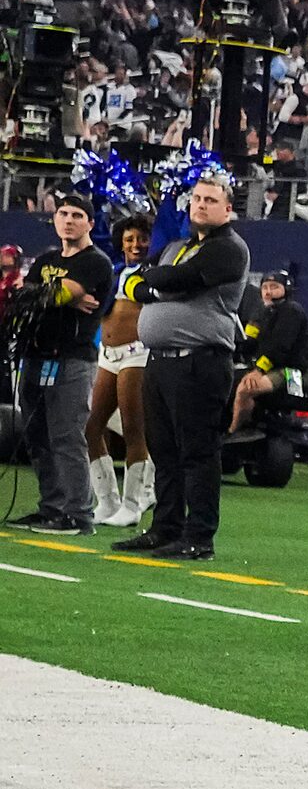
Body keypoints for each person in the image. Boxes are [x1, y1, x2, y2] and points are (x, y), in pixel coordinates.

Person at [120, 175, 249, 560]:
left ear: (228, 209)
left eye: (210, 199)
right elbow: (135, 282)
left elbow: (182, 280)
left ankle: (199, 537)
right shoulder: (178, 246)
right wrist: (153, 283)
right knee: (163, 449)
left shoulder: (230, 248)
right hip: (160, 361)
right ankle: (166, 528)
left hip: (199, 361)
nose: (201, 204)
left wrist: (152, 284)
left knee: (197, 451)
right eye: (196, 198)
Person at [10, 194, 115, 534]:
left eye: (76, 215)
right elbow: (20, 298)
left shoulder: (96, 262)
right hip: (37, 355)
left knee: (67, 436)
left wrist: (49, 293)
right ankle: (51, 507)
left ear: (90, 222)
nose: (68, 220)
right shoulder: (46, 260)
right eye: (63, 214)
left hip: (72, 358)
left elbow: (55, 294)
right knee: (37, 434)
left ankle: (78, 514)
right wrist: (53, 294)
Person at [83, 212, 154, 530]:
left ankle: (133, 504)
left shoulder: (152, 274)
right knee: (90, 426)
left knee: (132, 428)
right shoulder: (114, 272)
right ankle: (107, 500)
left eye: (142, 239)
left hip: (137, 354)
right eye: (129, 239)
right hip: (107, 355)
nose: (136, 244)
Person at [229, 266, 308, 437]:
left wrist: (259, 371)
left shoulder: (292, 311)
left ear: (287, 289)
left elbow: (280, 348)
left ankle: (233, 433)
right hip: (273, 365)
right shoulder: (262, 312)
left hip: (296, 373)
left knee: (245, 389)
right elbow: (249, 343)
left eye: (274, 287)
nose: (268, 292)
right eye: (265, 287)